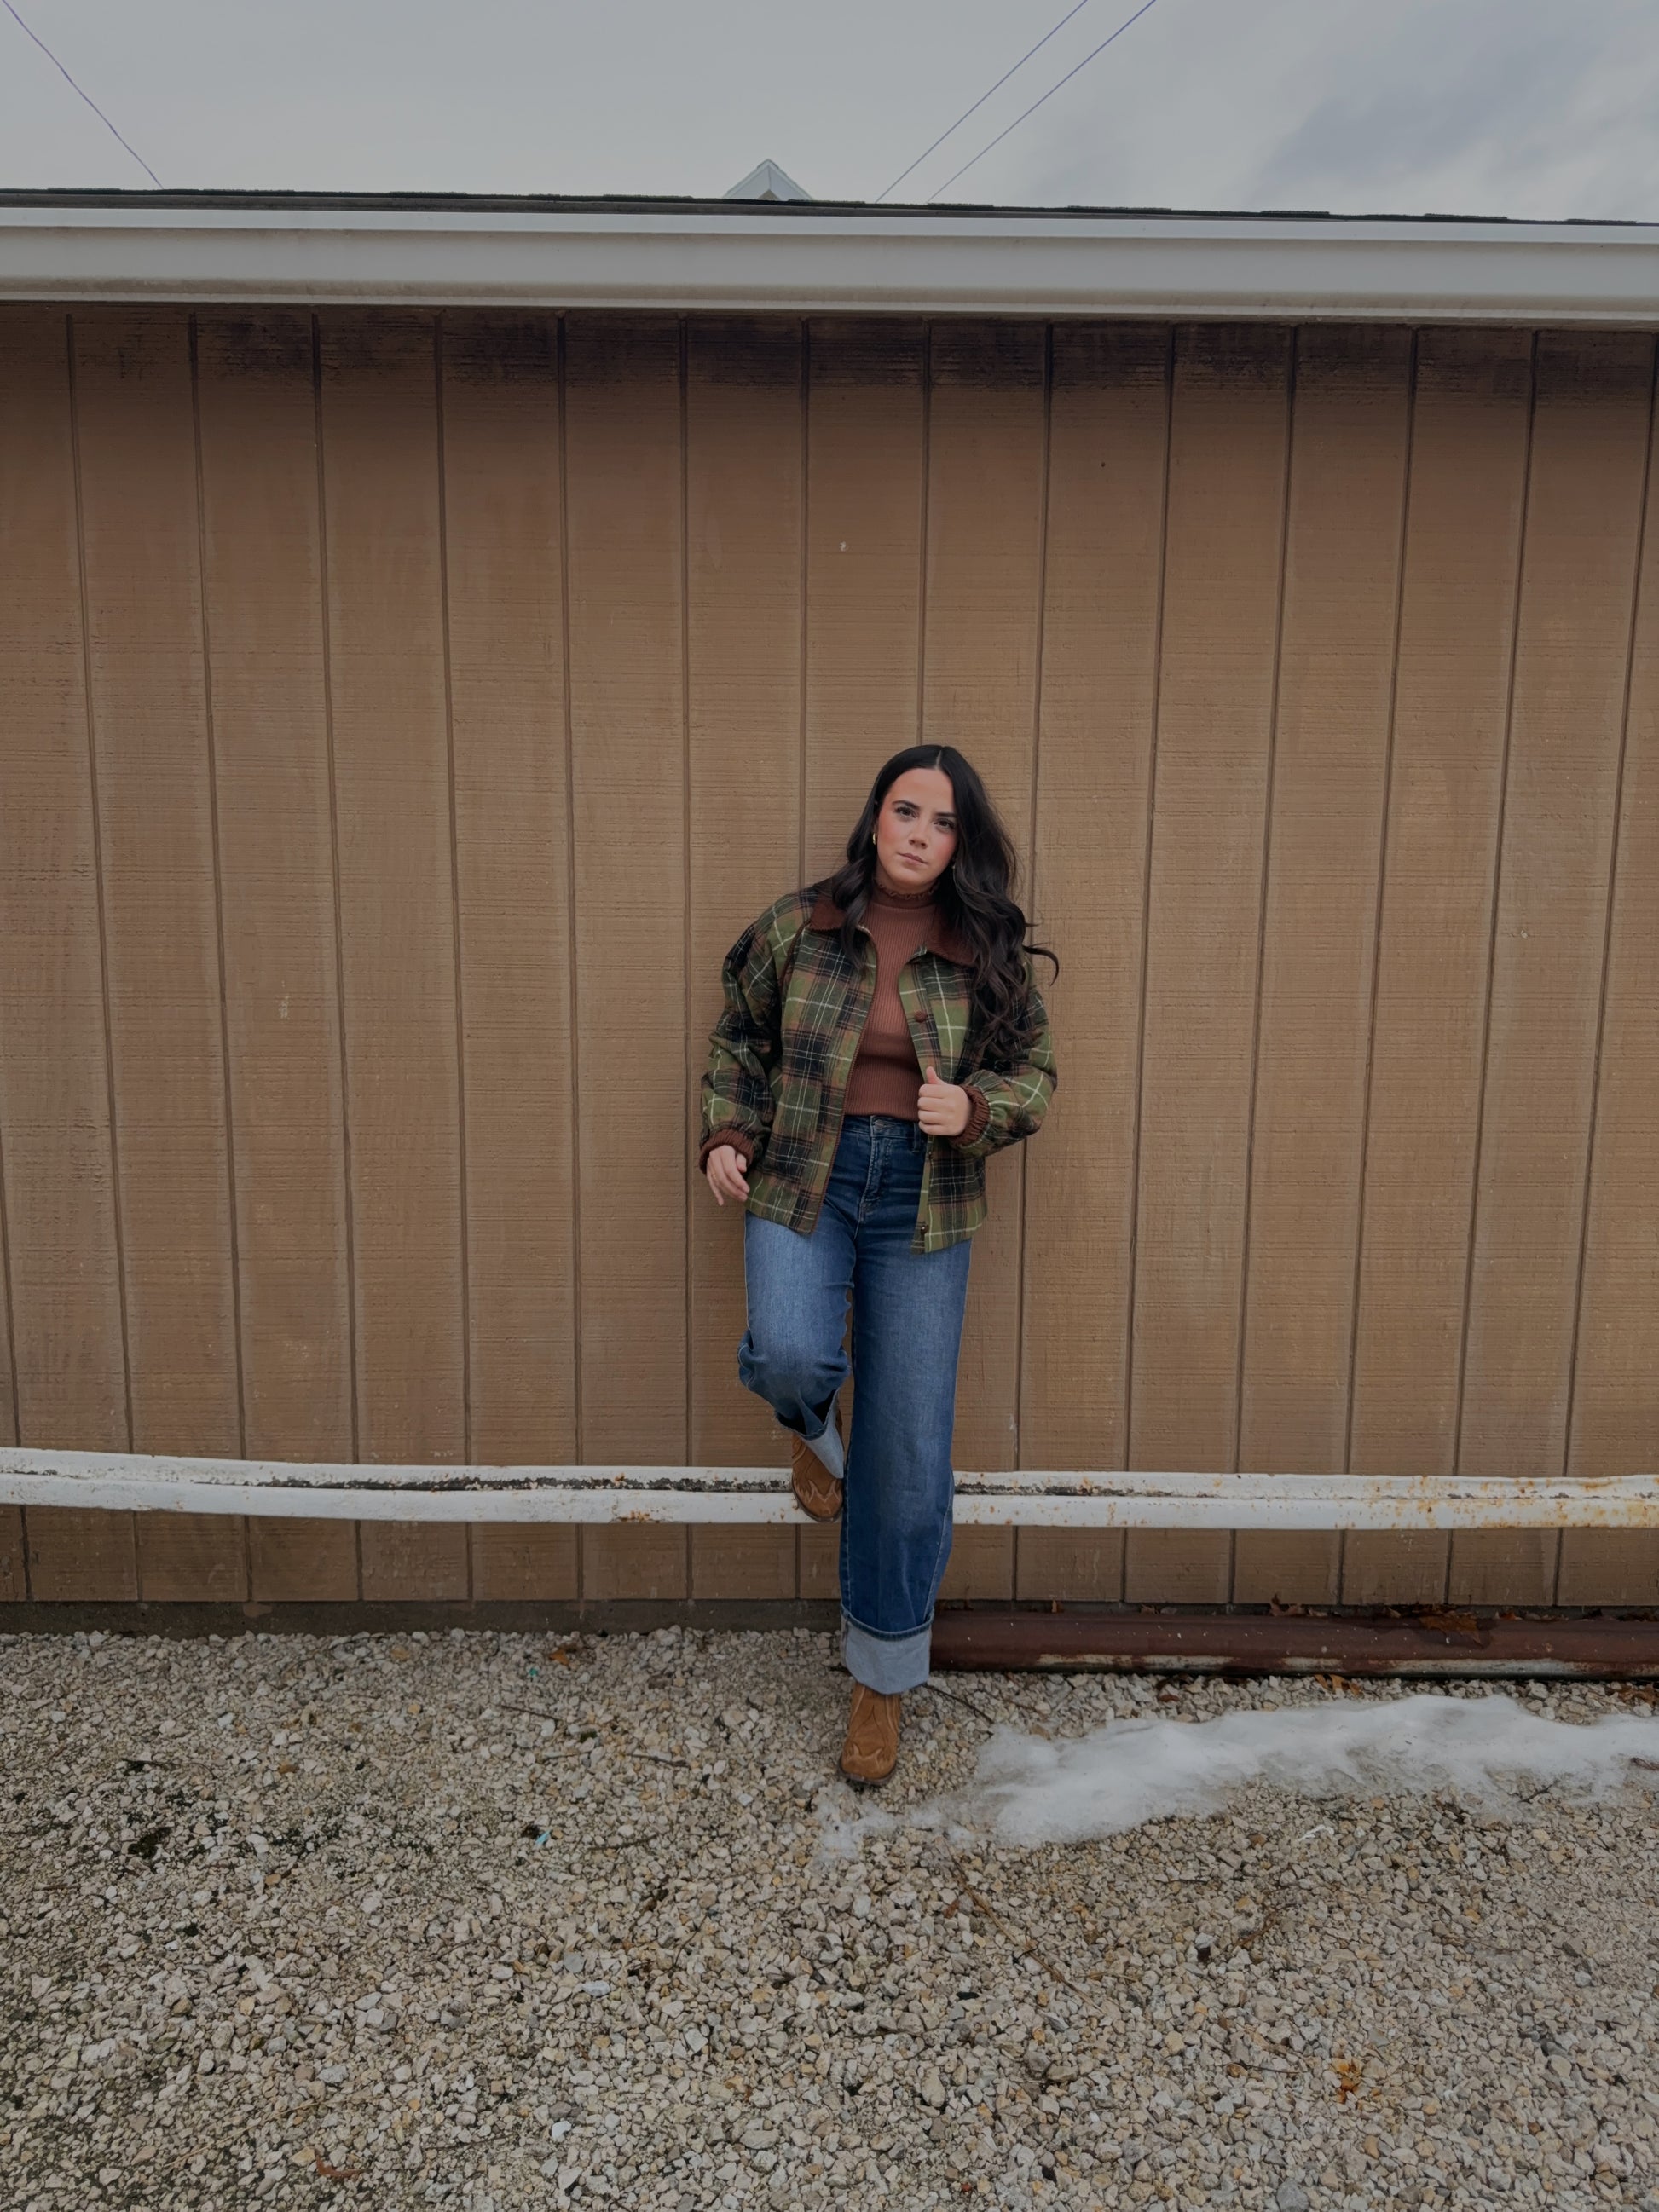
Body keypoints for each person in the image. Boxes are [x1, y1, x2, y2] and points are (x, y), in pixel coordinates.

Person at [698, 745, 1057, 1788]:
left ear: (959, 844)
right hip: (801, 1174)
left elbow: (1034, 1072)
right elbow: (737, 1039)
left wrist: (976, 1108)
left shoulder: (982, 948)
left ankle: (880, 1678)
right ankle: (814, 1429)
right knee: (788, 1354)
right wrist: (726, 1131)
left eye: (942, 823)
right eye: (905, 811)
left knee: (905, 1452)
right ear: (873, 818)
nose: (918, 835)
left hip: (923, 1196)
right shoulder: (797, 927)